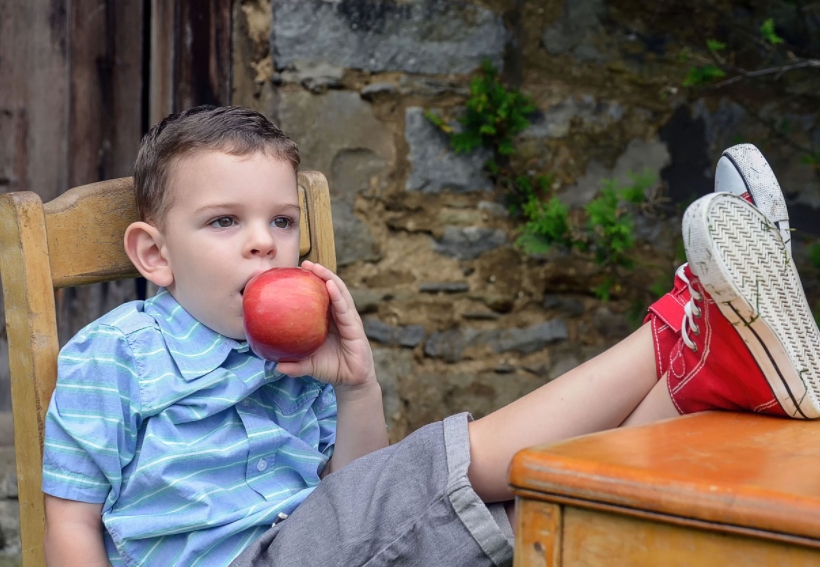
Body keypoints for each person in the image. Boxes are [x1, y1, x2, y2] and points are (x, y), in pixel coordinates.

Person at [40, 105, 820, 567]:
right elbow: (71, 521)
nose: (263, 243)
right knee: (438, 472)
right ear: (154, 255)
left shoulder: (294, 353)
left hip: (324, 546)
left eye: (282, 221)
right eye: (224, 222)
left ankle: (702, 373)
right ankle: (680, 328)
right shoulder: (114, 355)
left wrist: (356, 384)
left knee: (533, 523)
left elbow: (358, 488)